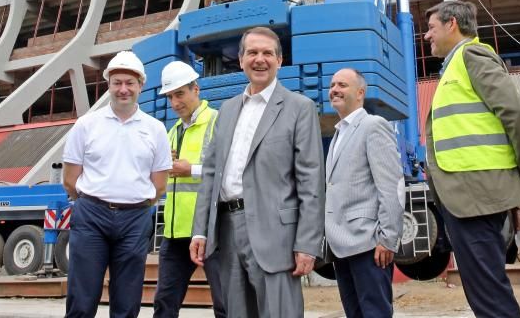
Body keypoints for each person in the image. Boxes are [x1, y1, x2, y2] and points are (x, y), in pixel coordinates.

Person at [189, 27, 324, 318]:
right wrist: (200, 230)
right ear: (240, 60)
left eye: (267, 53)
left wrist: (307, 244)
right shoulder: (225, 111)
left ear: (279, 60)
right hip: (226, 231)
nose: (259, 59)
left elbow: (311, 180)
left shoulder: (299, 108)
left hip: (276, 236)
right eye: (252, 52)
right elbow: (210, 174)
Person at [422, 0, 520, 318]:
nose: (426, 36)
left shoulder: (472, 56)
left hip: (476, 194)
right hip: (468, 195)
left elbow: (516, 112)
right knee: (483, 289)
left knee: (488, 293)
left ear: (452, 25)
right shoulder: (454, 66)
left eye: (431, 27)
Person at [62, 50, 171, 318]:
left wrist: (135, 204)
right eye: (117, 82)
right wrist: (93, 203)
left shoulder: (155, 129)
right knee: (82, 299)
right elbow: (69, 179)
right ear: (108, 84)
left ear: (141, 86)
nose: (123, 89)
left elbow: (159, 185)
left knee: (127, 300)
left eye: (129, 83)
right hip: (91, 216)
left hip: (135, 219)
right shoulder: (86, 125)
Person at [324, 67, 403, 318]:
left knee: (374, 313)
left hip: (368, 244)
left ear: (360, 93)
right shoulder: (339, 133)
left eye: (342, 85)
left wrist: (388, 238)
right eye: (333, 85)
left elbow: (391, 186)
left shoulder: (373, 126)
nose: (334, 89)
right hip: (341, 245)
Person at [153, 60, 226, 318]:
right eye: (170, 96)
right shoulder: (171, 132)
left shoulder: (218, 122)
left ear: (196, 89)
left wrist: (190, 169)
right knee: (164, 303)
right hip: (175, 233)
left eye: (180, 94)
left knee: (225, 302)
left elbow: (229, 172)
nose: (174, 103)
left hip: (211, 230)